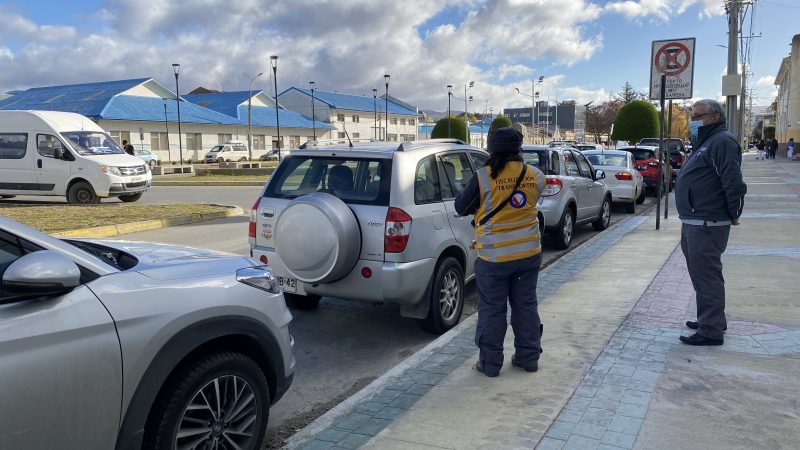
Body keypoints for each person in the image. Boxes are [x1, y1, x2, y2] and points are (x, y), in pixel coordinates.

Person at [454, 127, 546, 376]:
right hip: (528, 254)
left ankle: (490, 364)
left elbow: (461, 207)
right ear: (519, 149)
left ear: (491, 149)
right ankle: (528, 358)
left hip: (494, 258)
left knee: (493, 310)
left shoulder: (483, 177)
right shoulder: (535, 174)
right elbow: (533, 201)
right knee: (526, 305)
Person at [676, 99, 747, 346]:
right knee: (701, 275)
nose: (692, 120)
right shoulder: (705, 142)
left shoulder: (722, 142)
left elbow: (733, 182)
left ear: (715, 117)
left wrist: (734, 213)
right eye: (691, 116)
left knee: (707, 277)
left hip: (707, 222)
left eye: (697, 116)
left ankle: (711, 330)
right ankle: (712, 318)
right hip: (695, 220)